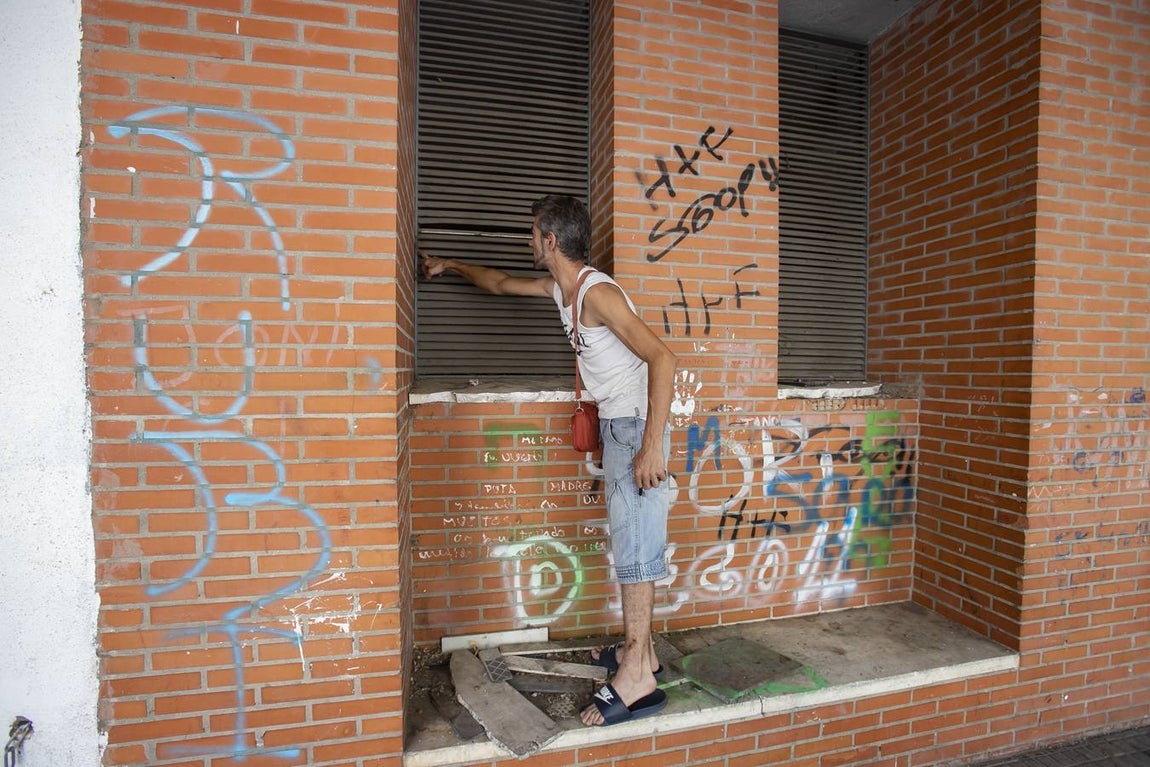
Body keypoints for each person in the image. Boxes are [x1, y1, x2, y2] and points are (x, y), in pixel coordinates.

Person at [420, 194, 677, 727]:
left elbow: (663, 358)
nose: (527, 241)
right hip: (619, 426)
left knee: (635, 545)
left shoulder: (597, 292)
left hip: (636, 427)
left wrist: (651, 444)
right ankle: (642, 654)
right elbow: (498, 283)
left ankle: (637, 678)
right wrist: (451, 266)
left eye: (532, 233)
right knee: (628, 538)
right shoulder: (562, 288)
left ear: (550, 240)